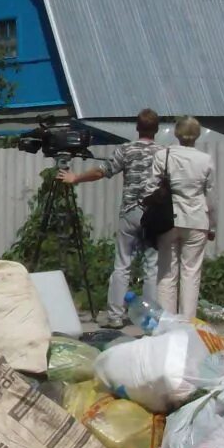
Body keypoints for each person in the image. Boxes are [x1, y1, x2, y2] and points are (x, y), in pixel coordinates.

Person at [58, 108, 161, 327]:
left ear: (137, 127)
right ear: (157, 129)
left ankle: (115, 316)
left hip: (130, 211)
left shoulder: (126, 150)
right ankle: (151, 316)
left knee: (122, 264)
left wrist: (75, 177)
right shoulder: (164, 153)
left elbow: (101, 171)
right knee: (152, 266)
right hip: (154, 213)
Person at [153, 117, 215, 321]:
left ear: (177, 134)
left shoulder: (163, 156)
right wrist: (212, 224)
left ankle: (166, 323)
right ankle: (188, 323)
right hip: (197, 218)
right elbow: (210, 195)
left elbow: (151, 188)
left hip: (167, 218)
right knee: (191, 273)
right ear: (197, 135)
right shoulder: (205, 160)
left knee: (167, 273)